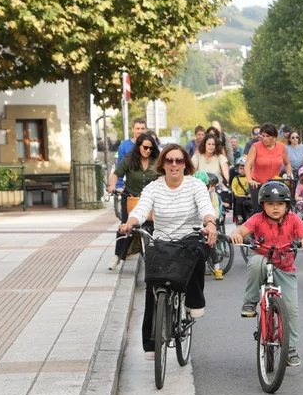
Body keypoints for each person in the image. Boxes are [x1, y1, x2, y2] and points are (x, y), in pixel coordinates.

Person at [119, 144, 217, 360]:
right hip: (162, 240)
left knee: (198, 251)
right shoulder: (153, 188)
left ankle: (194, 301)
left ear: (185, 164)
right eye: (169, 160)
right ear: (162, 164)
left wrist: (210, 223)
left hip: (189, 237)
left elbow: (206, 207)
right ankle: (151, 344)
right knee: (152, 286)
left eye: (179, 160)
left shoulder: (195, 185)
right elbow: (141, 209)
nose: (174, 164)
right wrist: (130, 223)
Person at [230, 181, 303, 367]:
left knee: (291, 308)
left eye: (280, 204)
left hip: (285, 268)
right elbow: (241, 230)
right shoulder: (257, 219)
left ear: (287, 205)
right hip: (263, 260)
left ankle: (290, 349)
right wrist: (236, 234)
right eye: (270, 204)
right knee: (255, 263)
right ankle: (250, 301)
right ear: (262, 205)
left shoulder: (293, 219)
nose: (275, 208)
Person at [106, 133, 160, 270]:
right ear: (138, 146)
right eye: (145, 147)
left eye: (151, 148)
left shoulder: (157, 160)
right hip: (131, 198)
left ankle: (157, 257)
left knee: (154, 227)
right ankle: (118, 256)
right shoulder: (130, 159)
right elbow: (116, 174)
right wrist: (112, 186)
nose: (148, 151)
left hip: (151, 200)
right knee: (126, 226)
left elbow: (165, 177)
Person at [246, 123, 292, 189]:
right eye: (263, 136)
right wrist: (250, 180)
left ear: (274, 136)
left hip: (275, 184)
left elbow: (287, 164)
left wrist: (288, 176)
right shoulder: (255, 147)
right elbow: (247, 164)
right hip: (257, 184)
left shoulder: (281, 147)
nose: (265, 139)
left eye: (268, 136)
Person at [230, 159, 254, 225]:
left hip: (249, 196)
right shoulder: (236, 178)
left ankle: (250, 216)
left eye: (244, 168)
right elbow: (233, 187)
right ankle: (239, 216)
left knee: (251, 205)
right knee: (239, 204)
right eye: (241, 168)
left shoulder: (250, 178)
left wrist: (251, 193)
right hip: (240, 196)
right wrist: (236, 193)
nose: (243, 170)